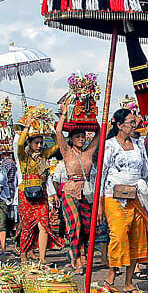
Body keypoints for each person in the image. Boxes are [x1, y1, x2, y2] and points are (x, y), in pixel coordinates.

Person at [99, 108, 148, 292]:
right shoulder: (109, 145)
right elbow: (102, 174)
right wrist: (100, 203)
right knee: (118, 235)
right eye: (131, 122)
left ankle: (128, 282)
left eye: (135, 122)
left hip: (136, 196)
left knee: (136, 237)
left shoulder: (138, 144)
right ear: (119, 125)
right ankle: (111, 275)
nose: (135, 125)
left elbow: (146, 171)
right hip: (113, 196)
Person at [55, 102, 99, 274]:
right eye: (77, 136)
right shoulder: (66, 151)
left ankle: (82, 254)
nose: (81, 139)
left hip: (86, 192)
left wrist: (92, 113)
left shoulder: (88, 153)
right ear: (71, 139)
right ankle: (76, 257)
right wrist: (64, 114)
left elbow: (99, 133)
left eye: (83, 136)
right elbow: (58, 132)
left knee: (88, 227)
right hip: (70, 191)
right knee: (75, 224)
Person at [16, 125, 61, 264]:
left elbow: (58, 144)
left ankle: (42, 257)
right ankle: (23, 253)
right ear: (29, 143)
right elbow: (19, 144)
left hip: (41, 194)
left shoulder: (44, 155)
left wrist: (52, 131)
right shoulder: (23, 156)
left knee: (44, 225)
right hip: (26, 194)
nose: (40, 146)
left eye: (41, 142)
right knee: (27, 226)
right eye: (36, 143)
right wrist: (26, 128)